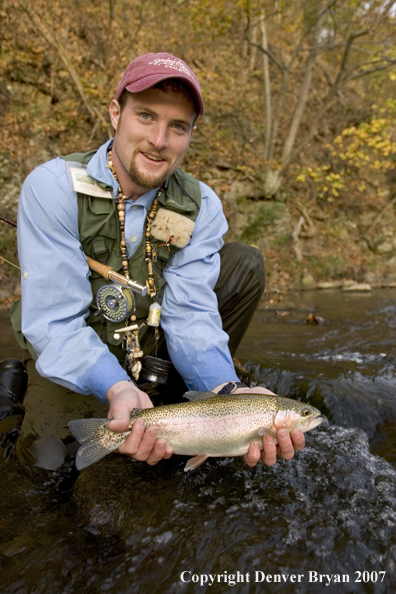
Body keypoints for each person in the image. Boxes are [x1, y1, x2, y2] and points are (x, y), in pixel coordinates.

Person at [10, 52, 305, 470]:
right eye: (146, 116)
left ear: (190, 134)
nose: (160, 140)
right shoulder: (53, 188)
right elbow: (54, 323)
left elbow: (190, 315)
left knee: (244, 262)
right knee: (47, 466)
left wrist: (227, 393)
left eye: (178, 127)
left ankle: (182, 402)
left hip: (150, 341)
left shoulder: (201, 205)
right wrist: (114, 387)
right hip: (74, 347)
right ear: (116, 113)